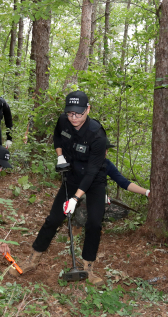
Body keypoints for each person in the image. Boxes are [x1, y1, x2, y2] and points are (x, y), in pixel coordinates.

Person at [11, 90, 107, 285]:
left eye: (78, 114)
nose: (74, 118)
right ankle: (33, 259)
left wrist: (75, 198)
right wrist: (60, 156)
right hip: (71, 176)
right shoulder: (63, 121)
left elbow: (92, 171)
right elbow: (57, 137)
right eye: (70, 113)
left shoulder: (97, 134)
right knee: (54, 218)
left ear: (88, 109)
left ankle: (88, 268)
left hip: (94, 180)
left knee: (94, 223)